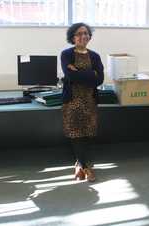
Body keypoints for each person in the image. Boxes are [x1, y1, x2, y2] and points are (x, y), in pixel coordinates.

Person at [60, 22, 104, 182]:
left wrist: (79, 72)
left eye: (85, 33)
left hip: (90, 100)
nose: (83, 36)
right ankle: (86, 167)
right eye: (79, 33)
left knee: (87, 132)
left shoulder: (95, 56)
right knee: (76, 133)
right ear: (73, 37)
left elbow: (99, 79)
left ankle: (79, 164)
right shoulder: (66, 54)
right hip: (72, 101)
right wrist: (90, 74)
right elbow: (71, 76)